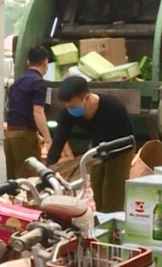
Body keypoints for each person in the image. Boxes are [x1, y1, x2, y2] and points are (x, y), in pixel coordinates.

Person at [47, 76, 135, 213]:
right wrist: (48, 169)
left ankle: (111, 226)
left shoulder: (113, 107)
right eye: (67, 107)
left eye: (73, 106)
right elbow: (58, 141)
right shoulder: (68, 114)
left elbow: (128, 137)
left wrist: (106, 155)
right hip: (96, 148)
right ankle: (100, 221)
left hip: (120, 148)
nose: (70, 110)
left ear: (87, 97)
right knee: (97, 192)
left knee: (112, 196)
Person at [5, 46, 53, 179]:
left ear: (28, 63)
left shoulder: (17, 82)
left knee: (13, 181)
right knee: (28, 180)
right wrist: (48, 139)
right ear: (45, 63)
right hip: (24, 137)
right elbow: (38, 113)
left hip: (9, 135)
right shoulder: (39, 83)